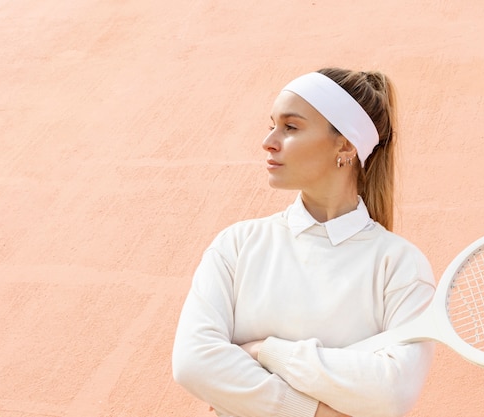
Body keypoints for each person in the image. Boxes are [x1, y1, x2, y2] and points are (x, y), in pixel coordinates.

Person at [172, 68, 436, 417]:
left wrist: (266, 352)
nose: (269, 141)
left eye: (291, 127)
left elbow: (392, 393)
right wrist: (313, 411)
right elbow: (193, 362)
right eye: (272, 125)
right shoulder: (237, 245)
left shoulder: (399, 264)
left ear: (345, 145)